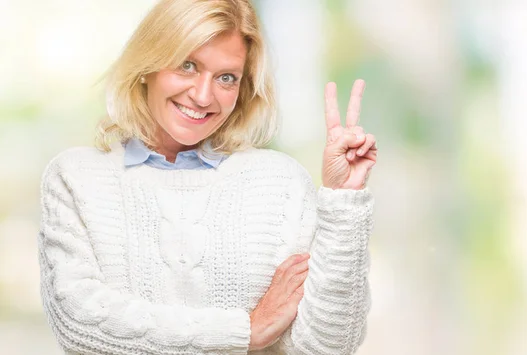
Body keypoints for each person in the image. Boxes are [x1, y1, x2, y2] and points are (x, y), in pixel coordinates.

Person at [37, 0, 377, 354]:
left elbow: (329, 346)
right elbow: (79, 325)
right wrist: (246, 331)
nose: (202, 96)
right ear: (146, 66)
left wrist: (344, 200)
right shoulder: (75, 177)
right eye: (187, 66)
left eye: (226, 78)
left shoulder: (281, 183)